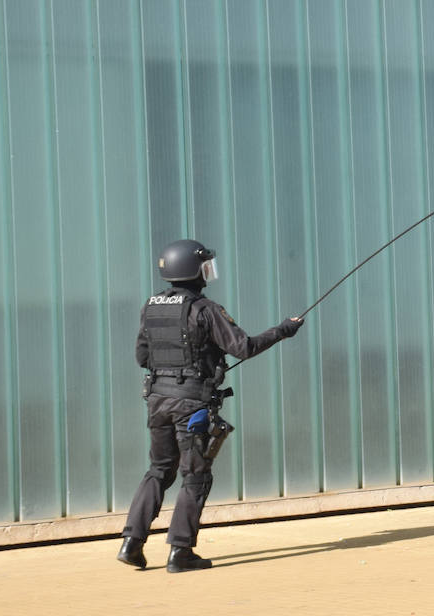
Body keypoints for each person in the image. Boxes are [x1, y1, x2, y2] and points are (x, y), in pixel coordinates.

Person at [117, 239, 305, 572]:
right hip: (191, 404)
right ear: (193, 269)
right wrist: (283, 330)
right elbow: (243, 347)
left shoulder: (151, 306)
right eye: (205, 266)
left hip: (157, 401)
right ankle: (180, 552)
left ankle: (131, 542)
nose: (208, 272)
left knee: (159, 470)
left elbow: (141, 357)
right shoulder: (204, 309)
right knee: (196, 477)